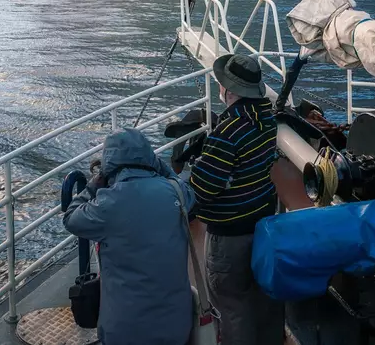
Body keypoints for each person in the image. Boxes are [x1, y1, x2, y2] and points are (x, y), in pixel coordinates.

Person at [63, 129, 196, 345]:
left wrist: (94, 185)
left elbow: (71, 218)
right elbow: (178, 184)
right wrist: (157, 165)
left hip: (125, 329)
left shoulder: (107, 205)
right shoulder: (176, 193)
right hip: (176, 323)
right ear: (149, 158)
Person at [184, 53, 282, 345]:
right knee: (265, 296)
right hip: (263, 225)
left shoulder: (227, 132)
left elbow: (202, 189)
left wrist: (195, 168)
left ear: (228, 90)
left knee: (231, 306)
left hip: (230, 235)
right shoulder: (267, 119)